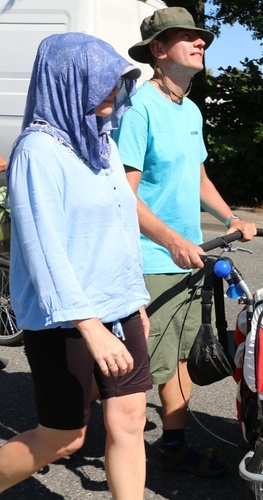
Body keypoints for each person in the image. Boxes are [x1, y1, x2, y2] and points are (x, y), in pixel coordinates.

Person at [0, 33, 151, 498]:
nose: (114, 90)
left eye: (118, 81)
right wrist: (90, 325)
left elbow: (124, 228)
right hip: (66, 320)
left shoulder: (102, 143)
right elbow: (44, 251)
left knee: (128, 422)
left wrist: (135, 300)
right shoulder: (37, 151)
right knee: (65, 437)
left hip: (119, 309)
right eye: (101, 81)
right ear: (68, 81)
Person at [112, 7, 256, 478]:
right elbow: (123, 197)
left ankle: (172, 444)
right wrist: (171, 239)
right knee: (139, 367)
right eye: (188, 39)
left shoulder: (190, 109)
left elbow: (197, 176)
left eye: (202, 39)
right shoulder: (138, 109)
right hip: (152, 255)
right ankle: (67, 423)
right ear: (159, 50)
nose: (201, 45)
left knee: (179, 358)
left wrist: (231, 215)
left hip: (188, 254)